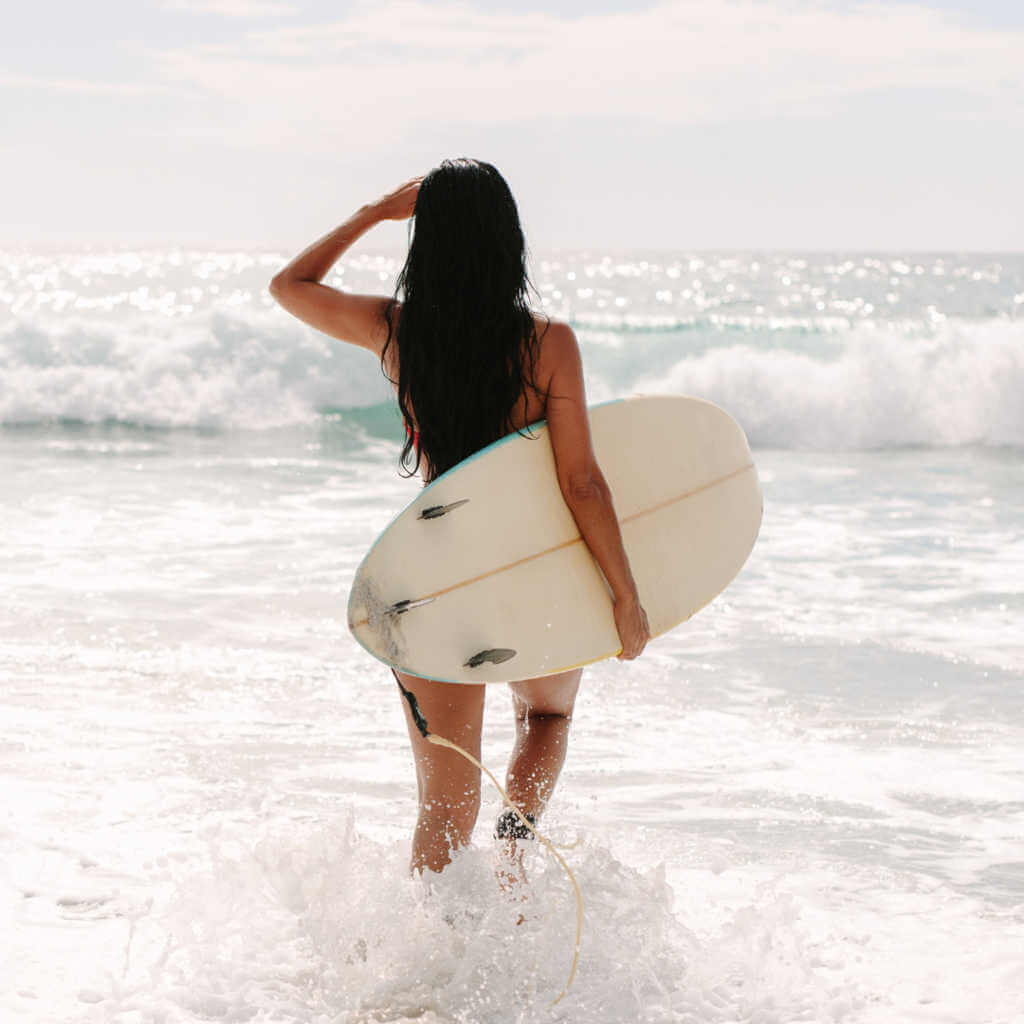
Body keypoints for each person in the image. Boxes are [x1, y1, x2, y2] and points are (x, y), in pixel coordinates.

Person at [269, 159, 650, 876]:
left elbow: (289, 287)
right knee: (546, 717)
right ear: (508, 241)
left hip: (433, 574)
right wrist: (626, 596)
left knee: (443, 807)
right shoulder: (547, 343)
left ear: (427, 244)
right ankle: (514, 854)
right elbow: (582, 483)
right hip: (533, 564)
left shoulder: (399, 330)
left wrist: (374, 212)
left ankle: (427, 968)